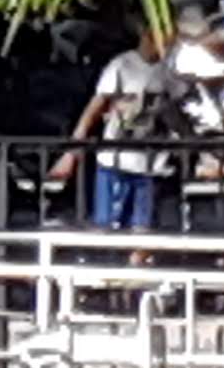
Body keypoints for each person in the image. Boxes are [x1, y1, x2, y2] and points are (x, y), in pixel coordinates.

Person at [58, 26, 187, 234]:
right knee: (106, 224)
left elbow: (178, 109)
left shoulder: (167, 71)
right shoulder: (122, 65)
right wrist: (72, 150)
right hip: (115, 158)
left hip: (150, 162)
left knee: (142, 226)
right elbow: (95, 107)